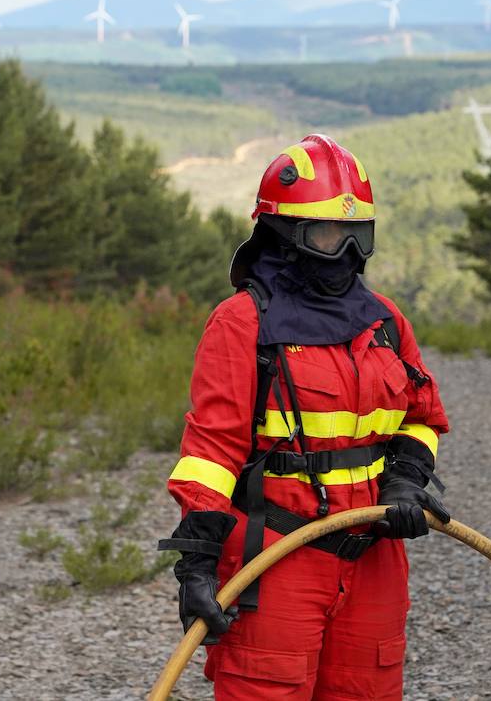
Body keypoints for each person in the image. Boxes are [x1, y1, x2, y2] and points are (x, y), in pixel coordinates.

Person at [159, 134, 451, 700]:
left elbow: (422, 419)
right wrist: (195, 564)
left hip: (374, 563)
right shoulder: (242, 324)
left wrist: (407, 482)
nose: (343, 252)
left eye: (355, 235)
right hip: (274, 563)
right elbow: (211, 454)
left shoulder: (386, 321)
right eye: (325, 233)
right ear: (284, 236)